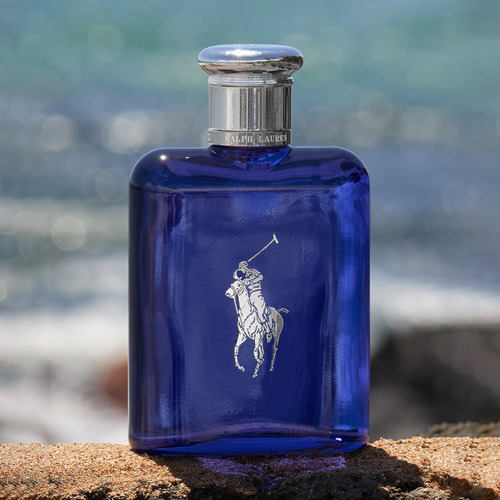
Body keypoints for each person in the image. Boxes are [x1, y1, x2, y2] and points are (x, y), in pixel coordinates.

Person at [234, 261, 271, 335]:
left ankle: (268, 330)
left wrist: (250, 281)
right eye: (241, 269)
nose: (242, 270)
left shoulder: (253, 272)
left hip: (257, 294)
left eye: (242, 268)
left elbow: (260, 277)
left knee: (260, 314)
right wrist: (236, 275)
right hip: (250, 296)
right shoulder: (244, 277)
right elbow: (238, 281)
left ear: (245, 266)